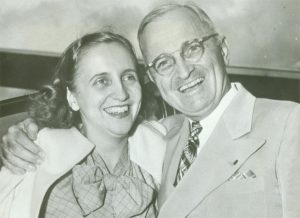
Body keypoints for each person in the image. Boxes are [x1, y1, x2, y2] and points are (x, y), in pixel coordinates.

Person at [2, 2, 300, 218]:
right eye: (163, 62)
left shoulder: (288, 125)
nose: (183, 71)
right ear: (155, 79)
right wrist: (29, 132)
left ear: (222, 50)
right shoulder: (166, 138)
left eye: (192, 48)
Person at [0, 31, 167, 218]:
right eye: (102, 81)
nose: (121, 94)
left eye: (128, 77)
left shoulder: (162, 145)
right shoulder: (34, 153)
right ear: (72, 97)